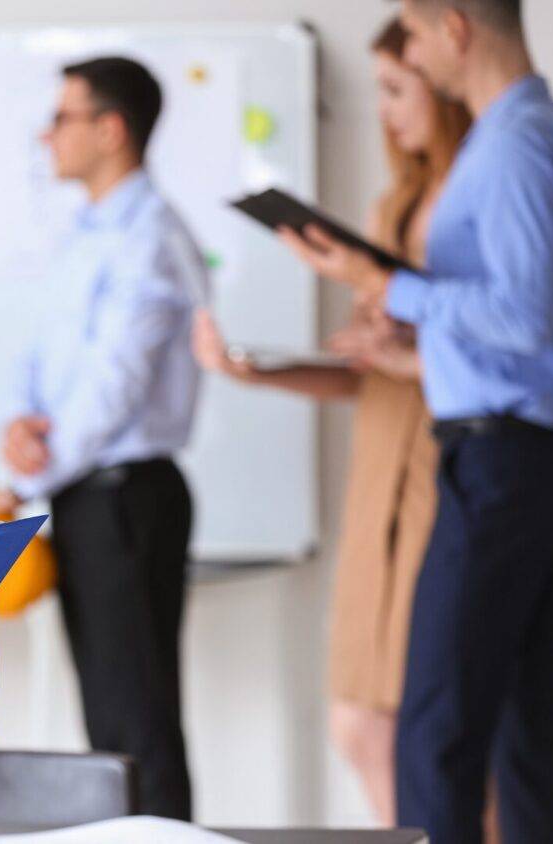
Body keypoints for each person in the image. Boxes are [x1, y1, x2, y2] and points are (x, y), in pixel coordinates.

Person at [279, 1, 553, 840]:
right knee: (523, 732)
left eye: (412, 33)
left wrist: (380, 280)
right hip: (524, 452)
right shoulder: (543, 134)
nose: (409, 51)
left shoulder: (520, 144)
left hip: (501, 461)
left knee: (436, 731)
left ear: (453, 27)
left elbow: (523, 316)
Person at [192, 17, 470, 827]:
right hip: (378, 474)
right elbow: (369, 376)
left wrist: (401, 349)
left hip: (441, 471)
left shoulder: (470, 202)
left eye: (396, 90)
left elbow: (493, 346)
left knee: (432, 730)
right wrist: (255, 368)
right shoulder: (393, 207)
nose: (386, 113)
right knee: (363, 723)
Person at [0, 56, 207, 820]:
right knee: (111, 721)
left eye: (63, 117)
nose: (47, 135)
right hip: (86, 493)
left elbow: (115, 387)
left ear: (110, 130)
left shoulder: (149, 237)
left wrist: (30, 477)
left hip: (127, 499)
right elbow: (41, 354)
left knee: (137, 722)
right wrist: (19, 429)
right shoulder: (86, 230)